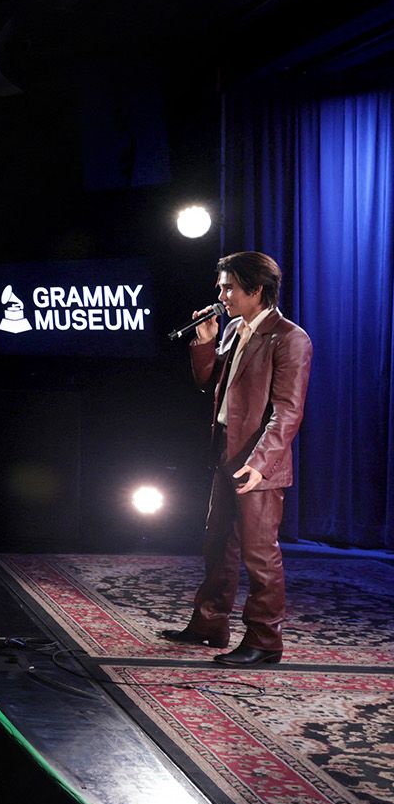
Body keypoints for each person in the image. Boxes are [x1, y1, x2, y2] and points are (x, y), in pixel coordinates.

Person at [161, 251, 312, 666]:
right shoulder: (232, 329)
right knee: (218, 545)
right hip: (226, 450)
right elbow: (206, 381)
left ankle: (265, 640)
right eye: (221, 286)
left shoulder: (289, 338)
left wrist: (260, 463)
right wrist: (206, 341)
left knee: (259, 554)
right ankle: (210, 624)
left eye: (228, 287)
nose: (220, 294)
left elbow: (288, 412)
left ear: (256, 290)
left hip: (259, 461)